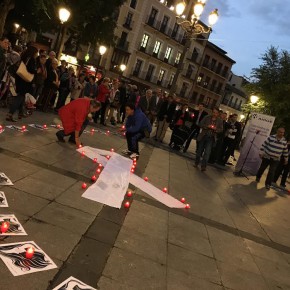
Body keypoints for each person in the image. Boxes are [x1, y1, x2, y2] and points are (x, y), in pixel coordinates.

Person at [6, 46, 38, 122]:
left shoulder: (23, 56)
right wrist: (37, 71)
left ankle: (21, 113)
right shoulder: (32, 59)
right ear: (33, 52)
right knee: (19, 97)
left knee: (22, 96)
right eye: (37, 52)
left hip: (19, 78)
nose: (37, 54)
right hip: (25, 81)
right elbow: (31, 69)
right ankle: (10, 114)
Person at [194, 107, 223, 171]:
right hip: (203, 136)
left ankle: (203, 166)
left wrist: (216, 129)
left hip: (211, 138)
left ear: (218, 114)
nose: (214, 114)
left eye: (216, 113)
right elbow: (200, 124)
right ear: (212, 112)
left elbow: (221, 129)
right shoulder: (206, 117)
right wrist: (207, 126)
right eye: (213, 112)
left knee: (207, 153)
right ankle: (196, 162)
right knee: (199, 151)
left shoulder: (220, 120)